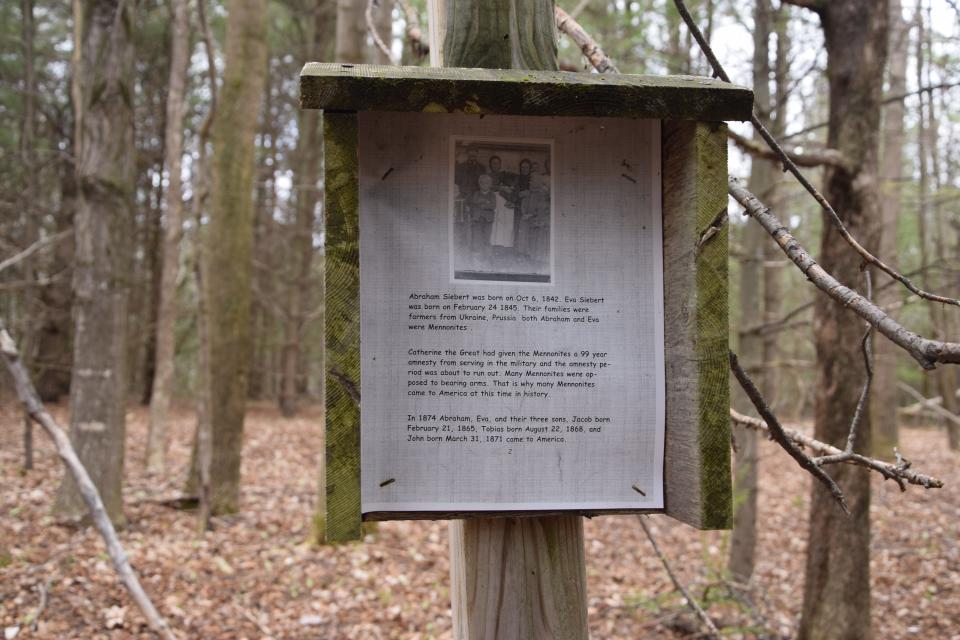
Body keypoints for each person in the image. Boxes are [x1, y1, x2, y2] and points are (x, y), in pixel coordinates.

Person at [468, 174, 497, 256]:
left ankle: (487, 254)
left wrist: (482, 204)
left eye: (487, 183)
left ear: (490, 184)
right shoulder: (476, 193)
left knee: (487, 236)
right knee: (477, 236)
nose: (485, 185)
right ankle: (477, 253)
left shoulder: (492, 195)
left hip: (488, 220)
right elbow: (474, 202)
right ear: (479, 184)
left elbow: (493, 206)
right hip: (478, 219)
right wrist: (485, 202)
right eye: (482, 183)